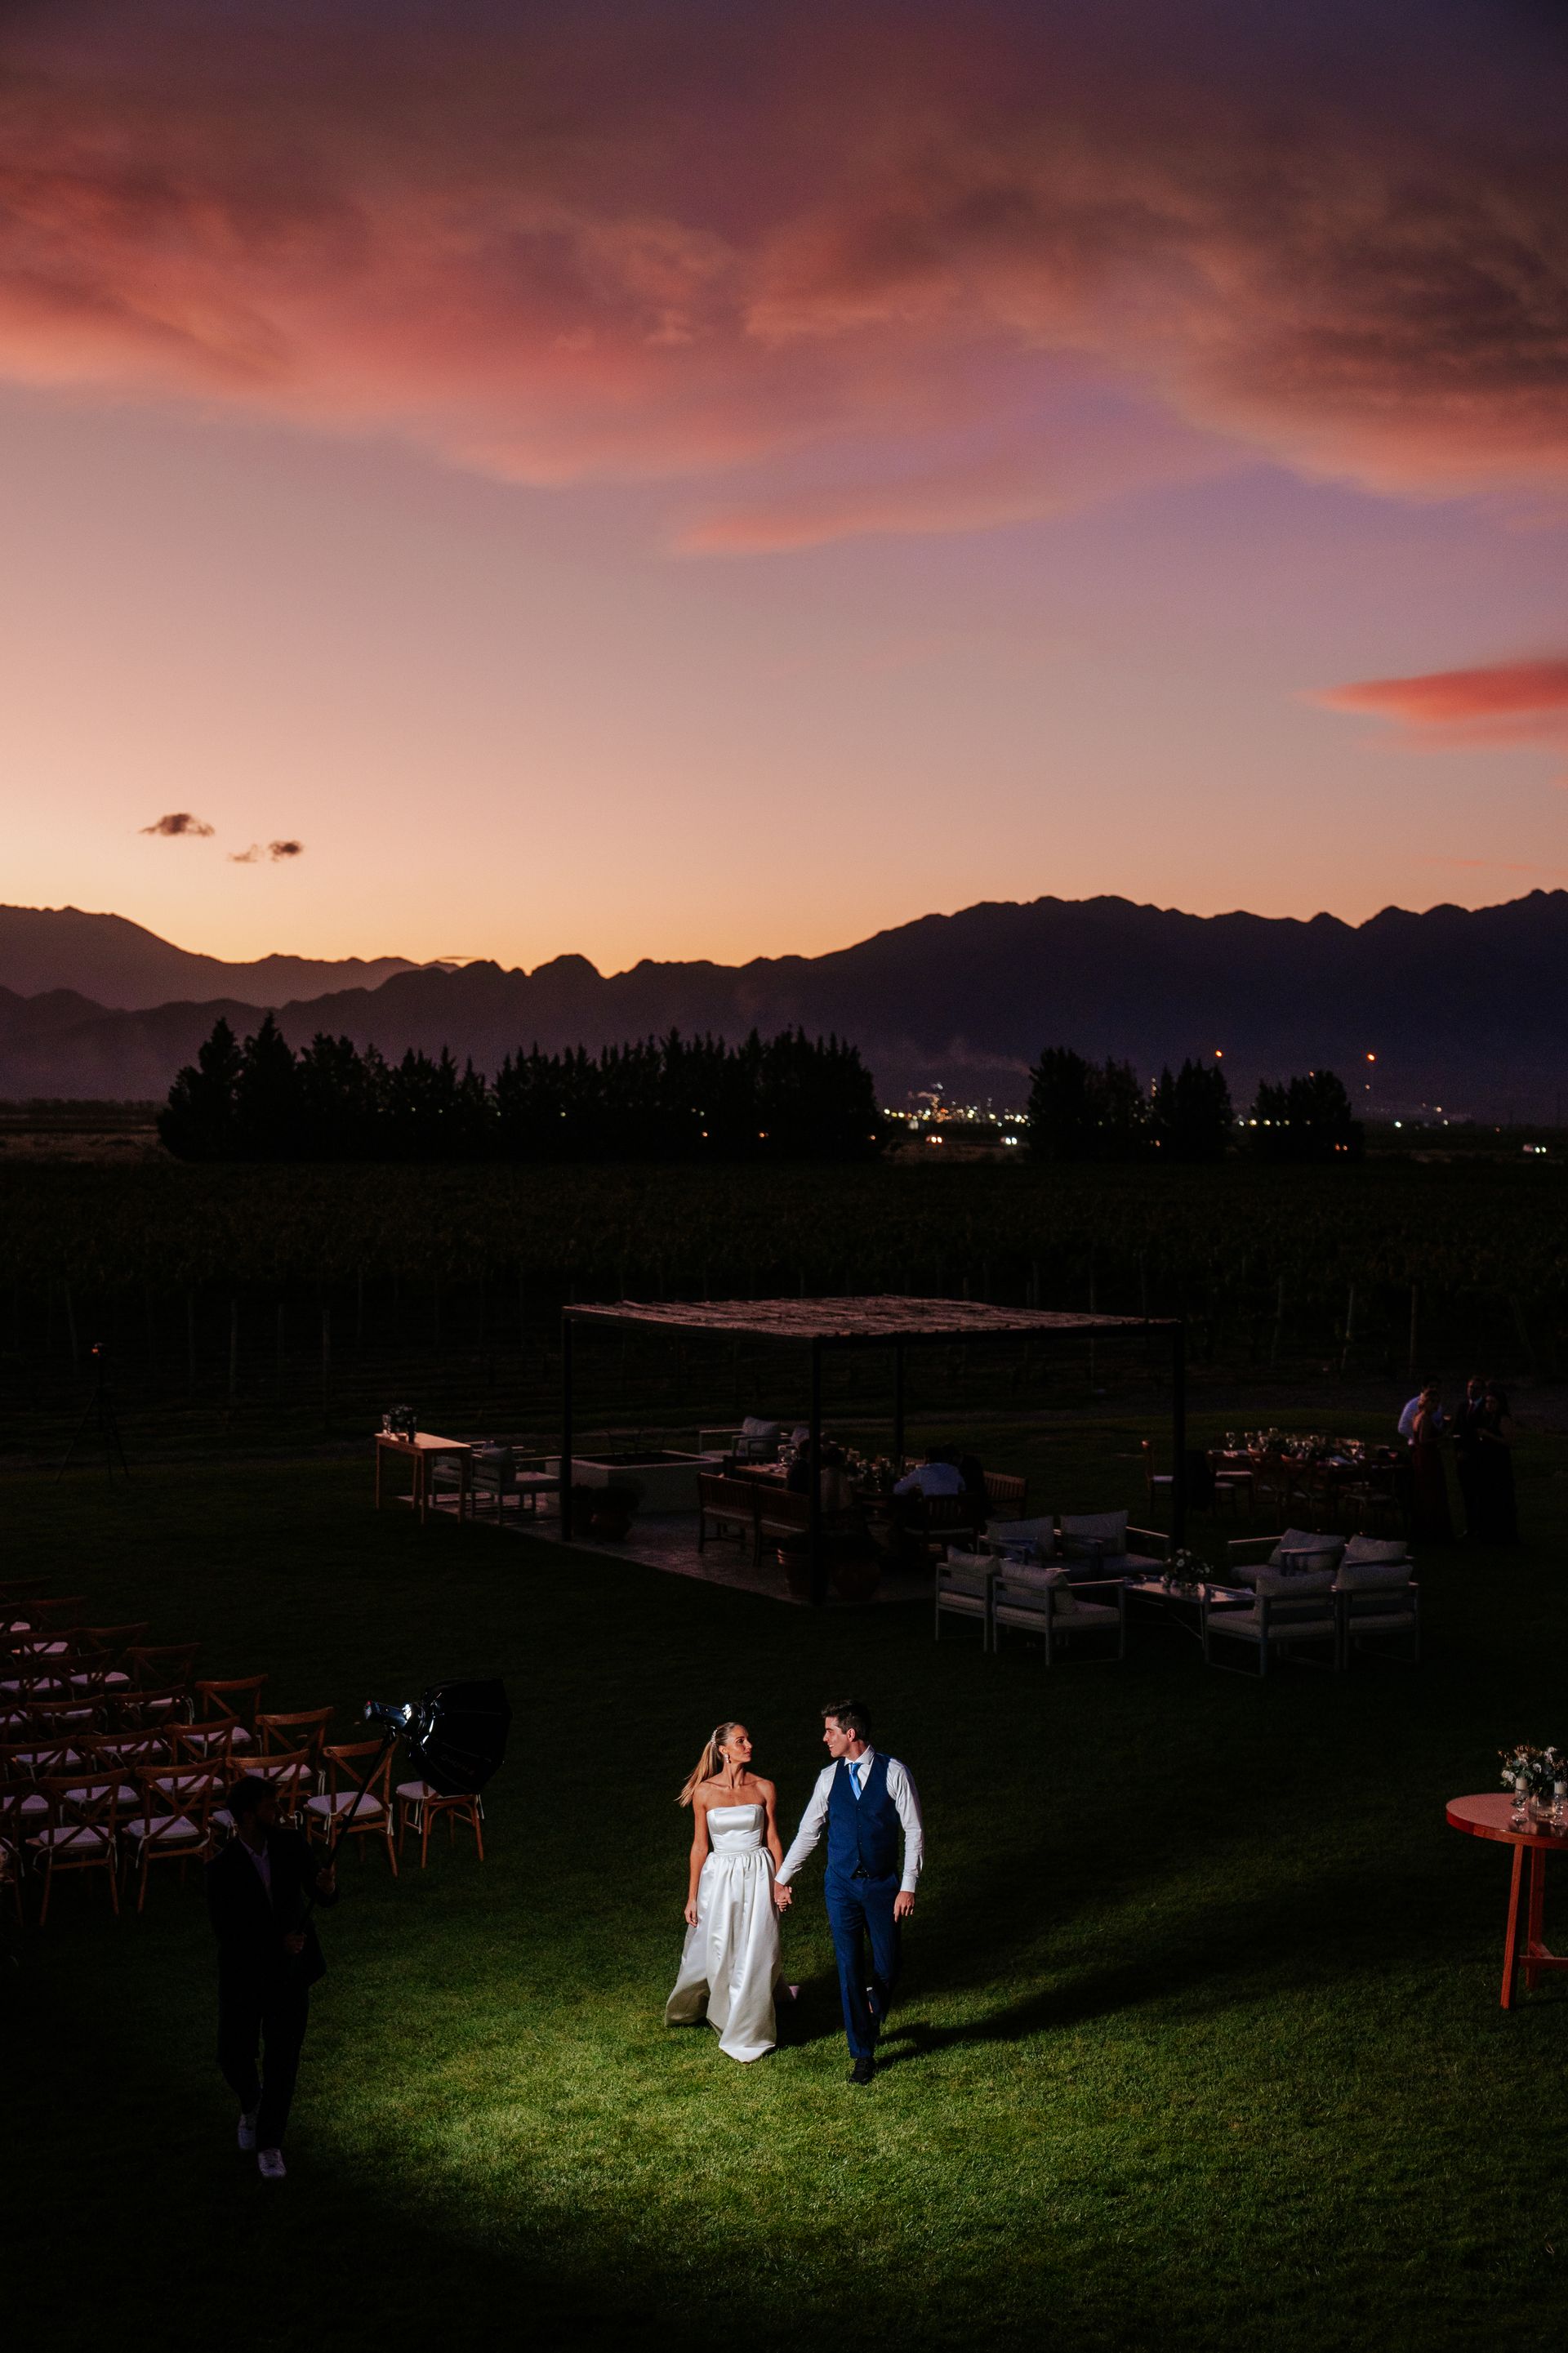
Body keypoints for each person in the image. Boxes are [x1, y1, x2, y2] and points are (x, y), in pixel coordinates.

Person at [774, 1700, 923, 2086]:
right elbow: (810, 1830)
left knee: (889, 1965)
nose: (825, 1738)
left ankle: (872, 2010)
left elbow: (914, 1831)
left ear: (850, 1734)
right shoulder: (828, 1777)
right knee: (848, 1968)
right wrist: (783, 1876)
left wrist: (907, 1886)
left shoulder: (894, 1773)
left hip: (881, 1887)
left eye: (830, 1731)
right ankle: (862, 2053)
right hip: (840, 1886)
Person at [207, 1776, 337, 2181]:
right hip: (245, 1977)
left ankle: (270, 2144)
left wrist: (327, 1887)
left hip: (290, 1976)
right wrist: (276, 1944)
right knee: (233, 2055)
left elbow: (321, 1894)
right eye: (269, 1807)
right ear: (247, 1815)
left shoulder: (290, 1844)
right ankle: (251, 2104)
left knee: (283, 2062)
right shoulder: (221, 1870)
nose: (278, 1812)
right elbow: (229, 1934)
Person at [665, 1721, 784, 2062]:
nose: (749, 1745)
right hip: (719, 1877)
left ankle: (751, 2027)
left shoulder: (764, 1787)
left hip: (759, 1873)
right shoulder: (704, 1792)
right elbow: (700, 1847)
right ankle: (724, 2012)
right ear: (723, 1750)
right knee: (720, 1949)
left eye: (749, 1739)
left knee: (759, 1947)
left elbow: (773, 1839)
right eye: (741, 1741)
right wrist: (692, 1895)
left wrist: (781, 1882)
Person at [1470, 1384, 1520, 1545]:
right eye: (1487, 1402)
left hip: (1500, 1462)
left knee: (1501, 1495)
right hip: (1488, 1462)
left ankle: (1503, 1533)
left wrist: (1488, 1435)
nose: (1489, 1405)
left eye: (1493, 1402)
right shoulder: (1486, 1417)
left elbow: (1510, 1442)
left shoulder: (1503, 1419)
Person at [1407, 1382, 1453, 1543]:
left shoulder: (1417, 1416)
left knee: (1424, 1491)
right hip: (1428, 1458)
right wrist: (1442, 1438)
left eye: (1437, 1402)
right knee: (1432, 1492)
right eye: (1432, 1402)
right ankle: (1432, 1530)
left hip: (1421, 1456)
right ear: (1425, 1401)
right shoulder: (1425, 1418)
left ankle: (1424, 1528)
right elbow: (1424, 1440)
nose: (1435, 1405)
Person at [1452, 1376, 1487, 1537]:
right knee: (1467, 1493)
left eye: (1476, 1388)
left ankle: (1481, 1526)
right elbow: (1457, 1429)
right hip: (1463, 1457)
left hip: (1478, 1457)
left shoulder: (1485, 1409)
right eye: (1470, 1387)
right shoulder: (1463, 1406)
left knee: (1480, 1493)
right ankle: (1470, 1526)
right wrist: (1458, 1450)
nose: (1472, 1391)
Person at [894, 1447, 965, 1499]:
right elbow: (963, 1487)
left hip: (930, 1515)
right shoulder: (953, 1470)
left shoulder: (922, 1471)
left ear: (927, 1459)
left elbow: (898, 1489)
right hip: (951, 1514)